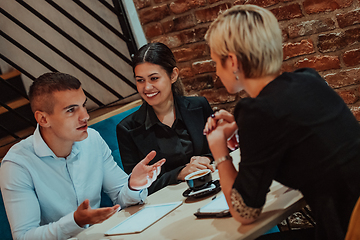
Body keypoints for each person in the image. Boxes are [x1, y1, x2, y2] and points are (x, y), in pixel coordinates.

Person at [203, 4, 360, 240]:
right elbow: (298, 128)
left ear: (233, 62)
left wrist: (218, 149)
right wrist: (240, 124)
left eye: (216, 62)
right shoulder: (308, 79)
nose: (216, 72)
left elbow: (245, 210)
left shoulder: (258, 112)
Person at [0, 72, 165, 240]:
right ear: (43, 119)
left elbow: (121, 197)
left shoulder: (92, 139)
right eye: (71, 110)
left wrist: (134, 185)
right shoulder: (17, 165)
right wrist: (74, 221)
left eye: (83, 105)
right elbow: (24, 237)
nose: (85, 116)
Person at [117, 42, 214, 194]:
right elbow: (137, 186)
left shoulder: (199, 106)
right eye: (140, 80)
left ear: (173, 75)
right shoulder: (127, 129)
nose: (147, 87)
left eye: (154, 78)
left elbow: (222, 149)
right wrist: (179, 174)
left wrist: (207, 159)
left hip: (211, 185)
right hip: (169, 204)